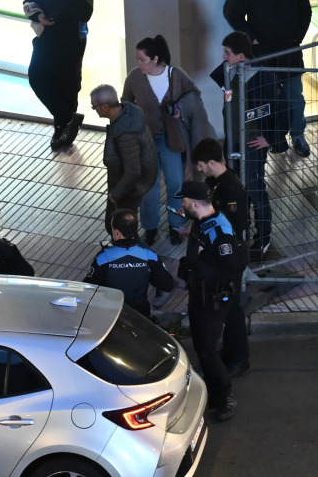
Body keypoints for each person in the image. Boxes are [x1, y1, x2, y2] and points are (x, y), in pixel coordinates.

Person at [121, 34, 215, 246]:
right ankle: (150, 227)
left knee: (176, 183)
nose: (138, 63)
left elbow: (194, 95)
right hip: (145, 140)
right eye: (137, 59)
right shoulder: (134, 77)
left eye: (142, 59)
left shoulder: (176, 75)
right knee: (148, 185)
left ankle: (176, 225)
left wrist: (179, 109)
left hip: (173, 140)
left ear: (155, 59)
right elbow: (126, 102)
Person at [224, 0, 312, 156]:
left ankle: (297, 135)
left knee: (295, 98)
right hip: (261, 55)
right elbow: (233, 14)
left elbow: (306, 13)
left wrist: (296, 39)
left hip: (288, 53)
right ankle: (271, 139)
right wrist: (250, 37)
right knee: (265, 101)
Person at [176, 181, 247, 422]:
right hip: (200, 296)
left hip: (213, 300)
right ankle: (212, 389)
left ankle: (224, 396)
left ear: (195, 203)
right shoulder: (202, 221)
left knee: (206, 350)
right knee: (201, 347)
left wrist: (203, 255)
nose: (182, 205)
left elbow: (234, 263)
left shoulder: (217, 229)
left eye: (184, 201)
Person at [209, 31, 283, 262]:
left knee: (254, 188)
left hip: (251, 144)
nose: (223, 56)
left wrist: (271, 139)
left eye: (227, 53)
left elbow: (280, 109)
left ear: (241, 56)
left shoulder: (262, 77)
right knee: (235, 187)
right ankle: (242, 226)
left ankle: (263, 238)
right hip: (233, 142)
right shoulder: (228, 70)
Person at [23, 0, 94, 151]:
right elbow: (28, 2)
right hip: (46, 38)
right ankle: (68, 119)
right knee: (36, 77)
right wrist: (39, 17)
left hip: (71, 42)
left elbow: (86, 13)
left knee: (68, 85)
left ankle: (62, 129)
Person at [192, 137, 251, 378]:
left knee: (232, 307)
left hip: (229, 256)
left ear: (212, 162)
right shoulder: (215, 182)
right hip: (220, 254)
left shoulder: (231, 188)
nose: (198, 169)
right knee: (226, 306)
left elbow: (235, 225)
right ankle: (230, 350)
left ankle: (240, 358)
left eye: (200, 164)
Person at [90, 84, 157, 234]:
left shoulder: (126, 133)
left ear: (105, 107)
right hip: (128, 184)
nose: (94, 110)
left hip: (128, 188)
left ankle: (131, 254)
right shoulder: (130, 111)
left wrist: (115, 195)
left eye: (94, 107)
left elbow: (132, 171)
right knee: (119, 227)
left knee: (119, 228)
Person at [85, 208, 174, 318]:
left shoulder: (103, 258)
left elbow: (88, 287)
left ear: (117, 233)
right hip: (140, 316)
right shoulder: (149, 256)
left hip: (111, 315)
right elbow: (168, 285)